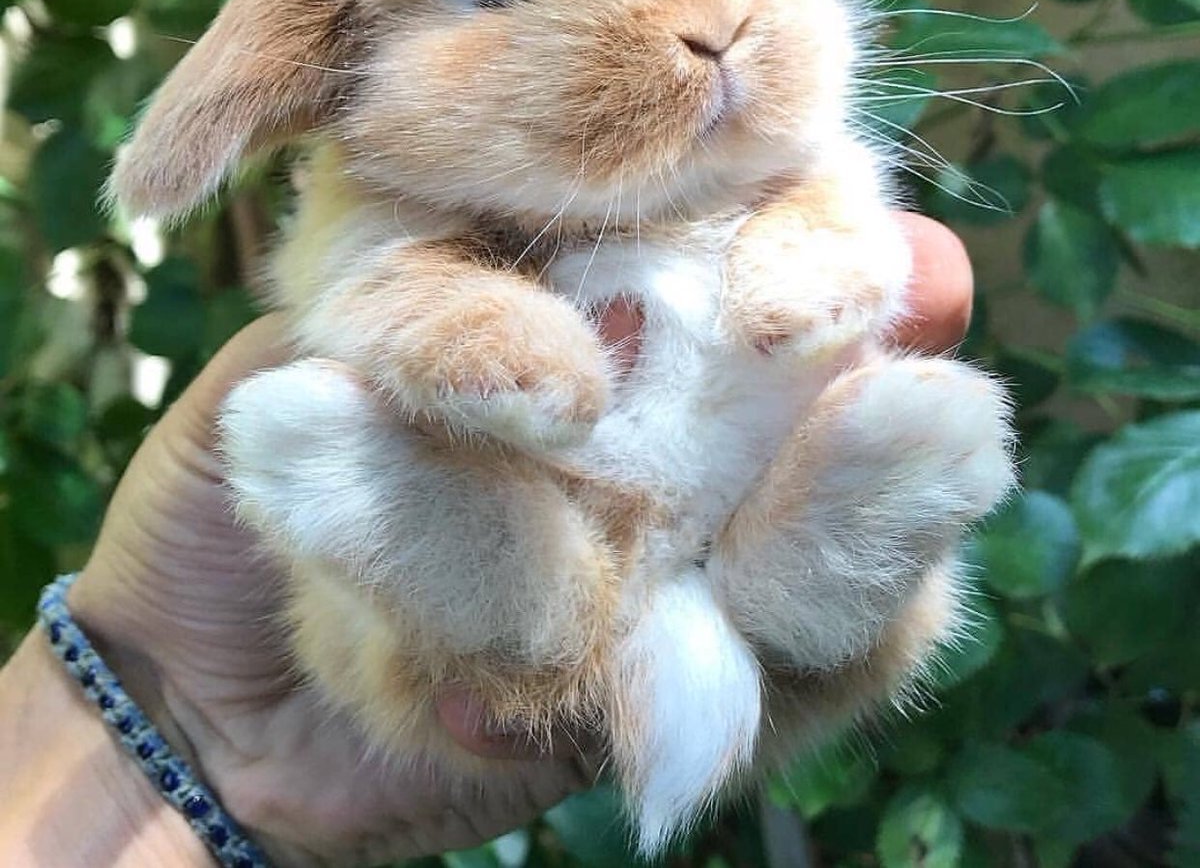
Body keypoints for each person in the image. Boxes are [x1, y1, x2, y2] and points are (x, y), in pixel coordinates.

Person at [0, 213, 973, 868]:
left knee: (878, 440)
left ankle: (813, 561)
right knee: (439, 564)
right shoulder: (423, 192)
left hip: (742, 480)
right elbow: (357, 285)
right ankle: (472, 560)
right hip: (521, 529)